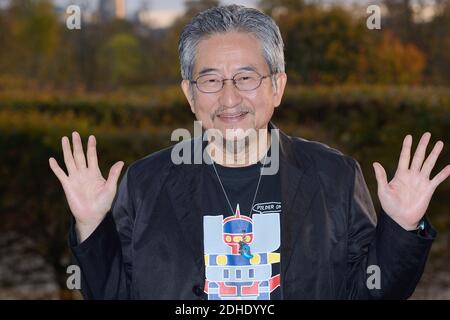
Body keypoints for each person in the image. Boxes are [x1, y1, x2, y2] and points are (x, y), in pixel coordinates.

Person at [49, 5, 449, 300]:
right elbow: (114, 295)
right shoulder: (145, 183)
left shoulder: (335, 177)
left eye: (246, 77)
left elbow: (367, 293)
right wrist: (90, 226)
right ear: (189, 94)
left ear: (278, 85)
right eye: (210, 80)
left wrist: (400, 227)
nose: (229, 97)